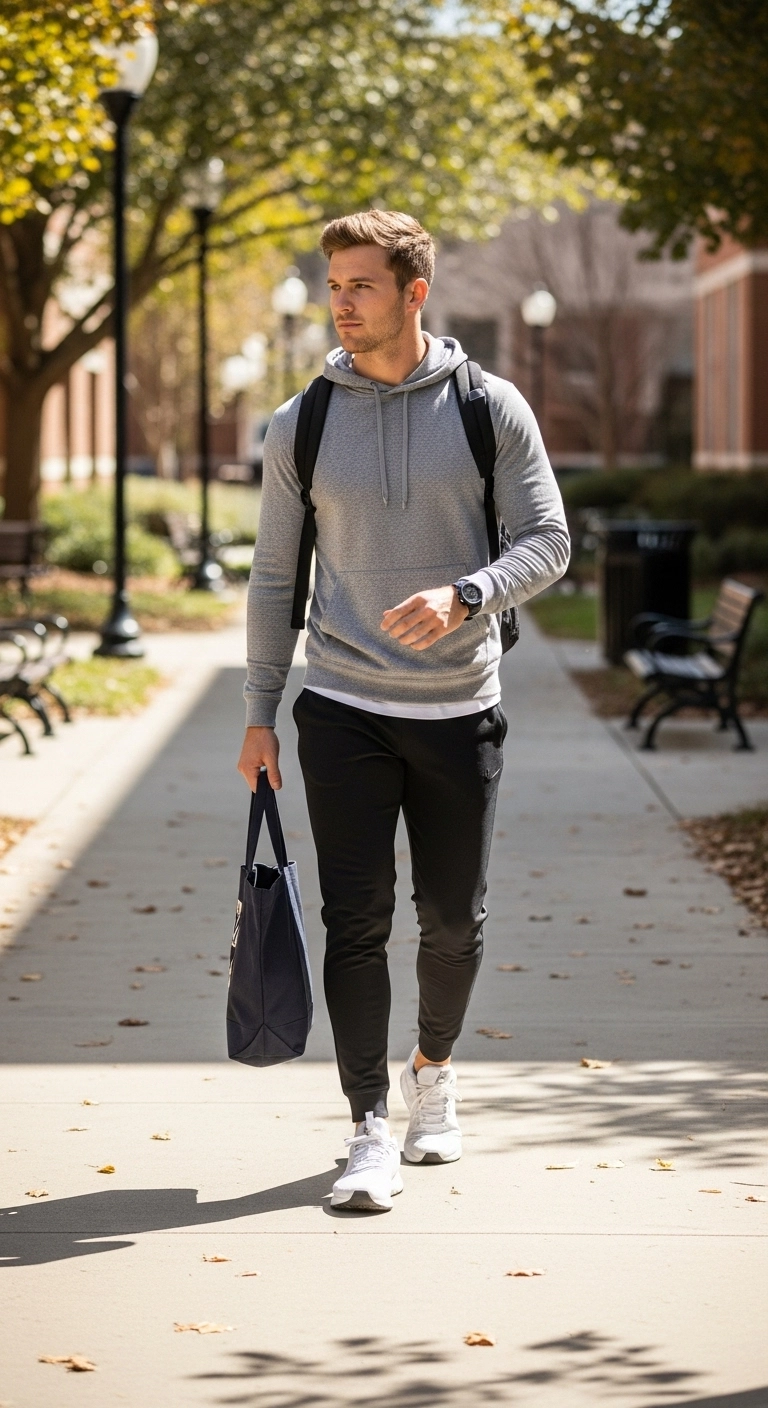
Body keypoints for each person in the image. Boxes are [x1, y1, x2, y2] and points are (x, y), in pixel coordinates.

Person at [238, 210, 569, 1212]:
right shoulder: (304, 421)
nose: (342, 303)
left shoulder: (489, 407)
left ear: (414, 291)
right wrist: (261, 710)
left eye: (361, 286)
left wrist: (467, 593)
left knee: (452, 920)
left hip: (459, 704)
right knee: (356, 919)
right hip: (342, 704)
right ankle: (367, 1123)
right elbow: (270, 580)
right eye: (334, 285)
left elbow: (550, 540)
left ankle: (433, 1067)